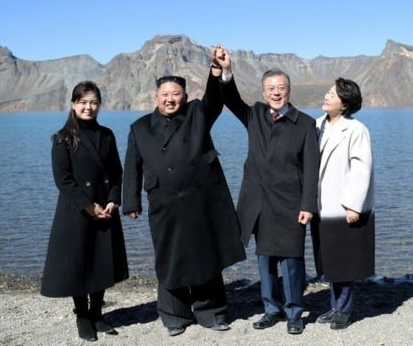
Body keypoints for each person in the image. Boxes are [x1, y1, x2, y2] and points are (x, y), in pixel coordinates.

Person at [122, 47, 246, 337]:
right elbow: (132, 167)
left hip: (200, 201)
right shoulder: (139, 127)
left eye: (175, 93)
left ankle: (211, 312)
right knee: (170, 256)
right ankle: (174, 315)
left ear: (185, 96)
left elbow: (215, 99)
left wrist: (217, 71)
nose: (169, 99)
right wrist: (131, 201)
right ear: (155, 98)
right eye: (164, 94)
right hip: (163, 203)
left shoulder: (197, 113)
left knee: (205, 253)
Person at [214, 47, 319, 335]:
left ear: (289, 91)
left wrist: (308, 205)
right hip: (258, 202)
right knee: (265, 259)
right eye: (271, 88)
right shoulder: (255, 115)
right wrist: (226, 71)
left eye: (281, 88)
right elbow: (230, 99)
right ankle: (271, 309)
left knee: (292, 260)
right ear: (263, 92)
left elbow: (312, 170)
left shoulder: (306, 124)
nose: (276, 93)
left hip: (290, 203)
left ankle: (295, 311)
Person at [41, 81, 129, 342]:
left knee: (101, 261)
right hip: (77, 211)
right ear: (73, 104)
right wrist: (89, 207)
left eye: (93, 102)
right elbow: (63, 180)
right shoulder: (62, 138)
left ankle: (97, 313)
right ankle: (82, 316)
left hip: (105, 208)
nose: (88, 107)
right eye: (83, 102)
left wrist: (114, 200)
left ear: (99, 105)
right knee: (78, 263)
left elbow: (116, 172)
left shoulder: (107, 135)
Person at [312, 78, 374, 330]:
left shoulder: (356, 129)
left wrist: (354, 205)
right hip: (321, 205)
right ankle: (335, 306)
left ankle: (345, 310)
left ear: (345, 104)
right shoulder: (316, 125)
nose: (326, 97)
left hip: (342, 205)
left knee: (344, 259)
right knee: (329, 260)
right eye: (327, 92)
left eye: (332, 95)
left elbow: (362, 168)